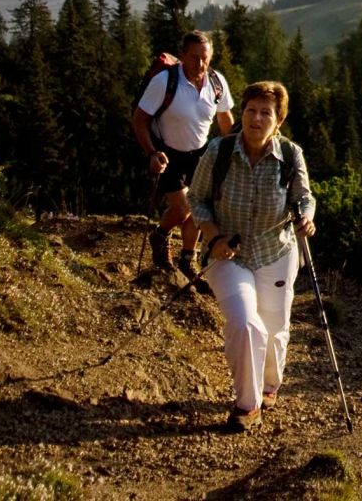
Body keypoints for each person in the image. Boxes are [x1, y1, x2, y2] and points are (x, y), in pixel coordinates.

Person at [190, 80, 316, 432]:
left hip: (276, 250)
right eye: (250, 110)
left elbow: (304, 196)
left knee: (274, 328)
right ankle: (248, 403)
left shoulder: (290, 155)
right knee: (246, 324)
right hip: (228, 255)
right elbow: (196, 198)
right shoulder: (218, 152)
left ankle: (270, 385)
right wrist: (213, 237)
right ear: (241, 113)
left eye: (265, 113)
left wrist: (307, 216)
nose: (255, 118)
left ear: (278, 122)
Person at [131, 30, 234, 275]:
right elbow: (139, 120)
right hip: (167, 152)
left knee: (200, 210)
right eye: (194, 57)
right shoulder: (164, 82)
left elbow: (225, 119)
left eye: (205, 58)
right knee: (184, 207)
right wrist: (151, 153)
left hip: (200, 154)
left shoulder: (217, 82)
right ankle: (160, 235)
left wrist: (234, 151)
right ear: (182, 56)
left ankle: (188, 259)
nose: (200, 63)